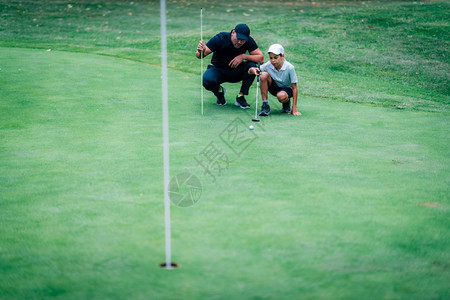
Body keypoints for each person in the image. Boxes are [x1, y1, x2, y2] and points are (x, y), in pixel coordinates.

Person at [196, 24, 264, 108]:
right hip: (219, 70)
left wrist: (243, 56)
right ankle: (219, 92)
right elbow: (200, 56)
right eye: (238, 38)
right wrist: (200, 51)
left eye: (243, 40)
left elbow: (261, 59)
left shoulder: (248, 41)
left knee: (252, 66)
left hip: (236, 72)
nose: (240, 42)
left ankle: (240, 96)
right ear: (233, 32)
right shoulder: (220, 38)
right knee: (207, 80)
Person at [248, 43, 301, 116]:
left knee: (281, 96)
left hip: (287, 89)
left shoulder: (290, 67)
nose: (273, 60)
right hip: (274, 88)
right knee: (263, 75)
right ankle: (265, 105)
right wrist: (252, 70)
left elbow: (294, 88)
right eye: (271, 58)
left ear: (282, 56)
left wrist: (294, 108)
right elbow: (254, 70)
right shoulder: (268, 64)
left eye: (275, 58)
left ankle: (286, 102)